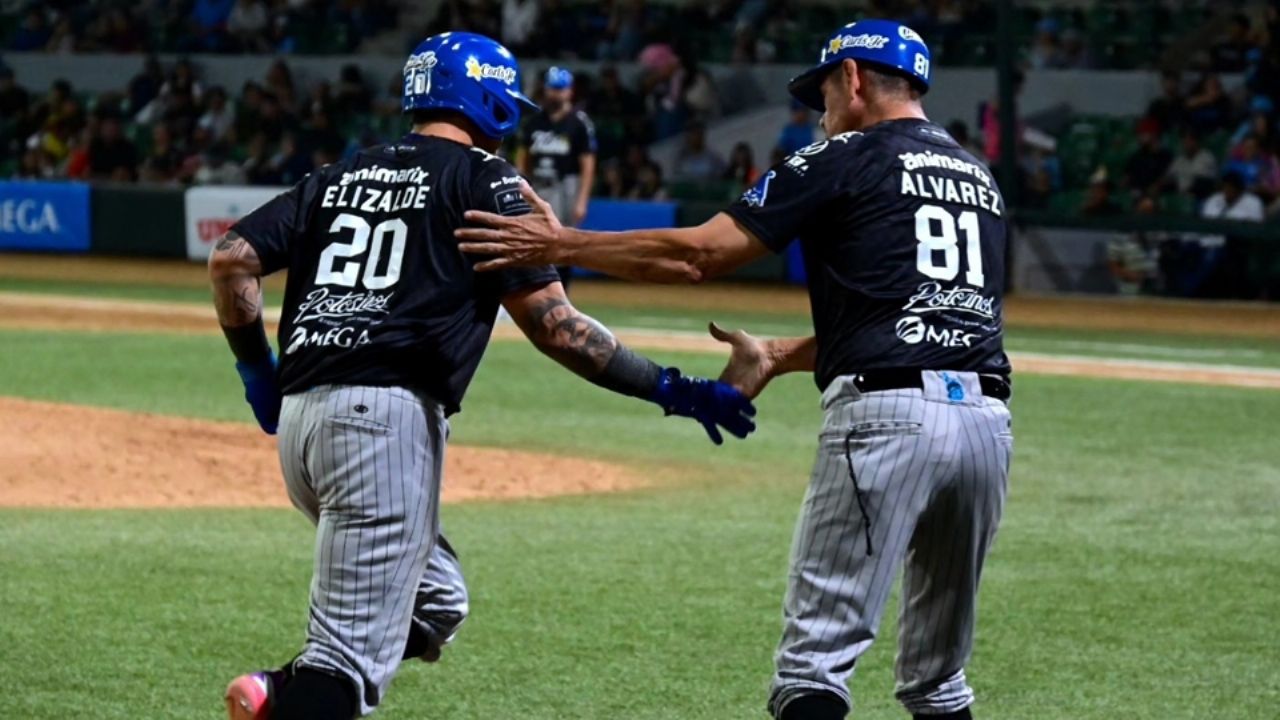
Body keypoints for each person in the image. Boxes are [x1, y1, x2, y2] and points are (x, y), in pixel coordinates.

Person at [458, 19, 1012, 720]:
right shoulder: (978, 177)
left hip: (889, 421)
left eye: (823, 94)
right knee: (938, 682)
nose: (820, 114)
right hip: (987, 427)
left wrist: (562, 240)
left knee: (812, 672)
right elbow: (934, 320)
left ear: (852, 79)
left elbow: (699, 255)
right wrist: (779, 355)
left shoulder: (841, 156)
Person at [211, 32, 755, 720]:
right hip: (383, 423)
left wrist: (259, 374)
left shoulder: (338, 174)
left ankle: (280, 688)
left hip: (303, 424)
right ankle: (307, 689)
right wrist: (674, 389)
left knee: (439, 601)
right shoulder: (485, 181)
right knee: (343, 667)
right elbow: (560, 331)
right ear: (490, 101)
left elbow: (232, 260)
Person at [517, 66, 597, 290]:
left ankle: (562, 291)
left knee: (561, 241)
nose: (555, 94)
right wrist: (521, 181)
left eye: (560, 89)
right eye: (552, 89)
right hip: (539, 183)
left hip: (566, 184)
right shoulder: (535, 121)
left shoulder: (578, 122)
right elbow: (524, 155)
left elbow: (588, 163)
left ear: (569, 91)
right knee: (531, 238)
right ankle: (531, 287)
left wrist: (582, 199)